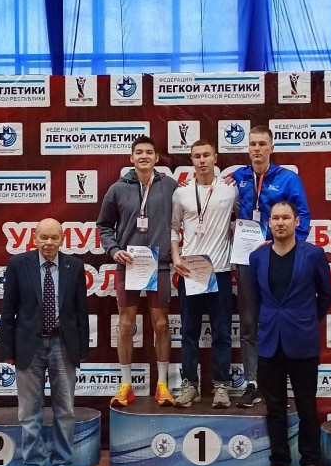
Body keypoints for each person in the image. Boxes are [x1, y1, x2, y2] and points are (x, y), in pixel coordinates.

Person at [249, 200, 331, 466]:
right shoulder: (257, 258)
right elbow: (256, 299)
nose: (280, 223)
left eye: (286, 217)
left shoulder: (313, 255)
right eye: (275, 218)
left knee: (307, 407)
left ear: (297, 222)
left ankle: (311, 465)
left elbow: (326, 295)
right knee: (274, 409)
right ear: (269, 223)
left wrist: (306, 319)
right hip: (270, 343)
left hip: (302, 342)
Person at [0, 217, 89, 466]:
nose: (49, 243)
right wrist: (8, 350)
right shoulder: (18, 264)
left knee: (66, 410)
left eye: (54, 237)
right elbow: (8, 310)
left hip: (64, 345)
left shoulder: (75, 266)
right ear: (34, 238)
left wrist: (81, 350)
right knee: (29, 411)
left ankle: (62, 464)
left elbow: (81, 312)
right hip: (29, 346)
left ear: (62, 239)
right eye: (44, 237)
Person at [231, 124, 311, 407]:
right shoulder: (238, 177)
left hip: (276, 258)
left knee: (279, 320)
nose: (257, 149)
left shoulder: (288, 179)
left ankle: (279, 385)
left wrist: (285, 248)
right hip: (246, 258)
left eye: (262, 144)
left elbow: (303, 216)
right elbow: (212, 195)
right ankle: (253, 384)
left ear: (271, 147)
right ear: (248, 148)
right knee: (249, 323)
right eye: (253, 144)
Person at [98, 136, 178, 407]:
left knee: (161, 324)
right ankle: (126, 386)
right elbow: (104, 225)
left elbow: (184, 216)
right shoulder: (117, 189)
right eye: (139, 152)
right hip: (129, 264)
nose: (144, 156)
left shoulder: (170, 186)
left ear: (157, 158)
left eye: (149, 152)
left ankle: (162, 385)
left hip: (159, 264)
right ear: (131, 158)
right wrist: (113, 250)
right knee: (126, 324)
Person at [171, 138, 238, 409]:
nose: (202, 160)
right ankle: (190, 386)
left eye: (206, 155)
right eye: (197, 156)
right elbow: (173, 227)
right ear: (191, 160)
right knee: (189, 332)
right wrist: (175, 257)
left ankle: (221, 386)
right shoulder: (182, 193)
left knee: (222, 332)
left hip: (220, 272)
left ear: (215, 158)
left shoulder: (230, 190)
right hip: (190, 271)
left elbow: (244, 220)